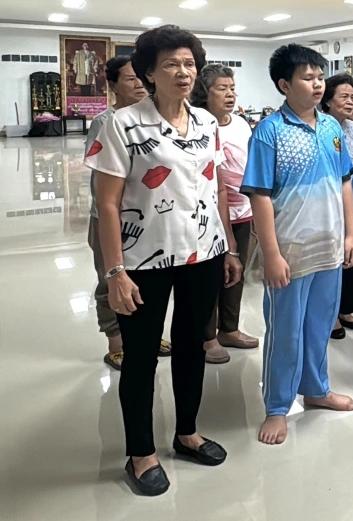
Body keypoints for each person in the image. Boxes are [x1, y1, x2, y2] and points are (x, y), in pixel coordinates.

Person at [86, 25, 242, 496]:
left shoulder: (207, 122)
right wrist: (115, 271)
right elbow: (107, 203)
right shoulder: (122, 124)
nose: (183, 72)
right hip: (143, 260)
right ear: (150, 72)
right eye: (171, 64)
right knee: (140, 358)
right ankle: (140, 453)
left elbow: (216, 188)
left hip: (204, 254)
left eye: (189, 63)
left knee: (193, 346)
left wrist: (228, 246)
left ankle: (187, 433)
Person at [242, 44, 353, 446]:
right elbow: (259, 196)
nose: (317, 84)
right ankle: (277, 406)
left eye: (320, 77)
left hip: (329, 247)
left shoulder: (332, 129)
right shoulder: (269, 132)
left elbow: (345, 181)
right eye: (308, 78)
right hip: (289, 251)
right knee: (285, 331)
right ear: (284, 84)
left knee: (319, 325)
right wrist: (271, 255)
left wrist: (350, 234)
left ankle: (316, 389)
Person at [85, 56, 167, 371]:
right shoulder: (105, 122)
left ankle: (149, 334)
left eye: (141, 78)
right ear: (113, 85)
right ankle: (116, 343)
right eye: (131, 79)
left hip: (146, 218)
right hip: (109, 218)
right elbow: (102, 180)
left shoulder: (155, 117)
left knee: (149, 277)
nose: (139, 85)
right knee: (111, 278)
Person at [192, 63, 259, 363]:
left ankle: (229, 329)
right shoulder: (198, 124)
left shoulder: (242, 124)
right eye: (222, 88)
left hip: (242, 211)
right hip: (208, 214)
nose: (230, 94)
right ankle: (206, 336)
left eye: (232, 88)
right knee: (209, 277)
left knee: (237, 272)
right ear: (205, 93)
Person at [321, 73, 353, 339]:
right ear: (328, 100)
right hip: (330, 203)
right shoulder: (321, 127)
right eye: (345, 96)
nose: (352, 101)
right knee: (333, 260)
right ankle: (329, 315)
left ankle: (345, 309)